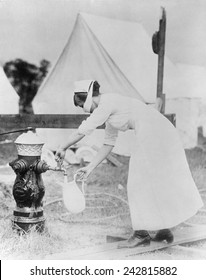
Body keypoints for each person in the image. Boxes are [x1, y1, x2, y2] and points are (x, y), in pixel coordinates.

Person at [56, 79, 203, 248]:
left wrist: (62, 147)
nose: (82, 109)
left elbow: (83, 130)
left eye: (81, 105)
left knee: (137, 182)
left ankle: (141, 234)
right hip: (159, 130)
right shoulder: (109, 109)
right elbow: (108, 144)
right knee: (155, 181)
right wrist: (90, 167)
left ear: (87, 98)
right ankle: (163, 229)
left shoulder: (106, 104)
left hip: (154, 131)